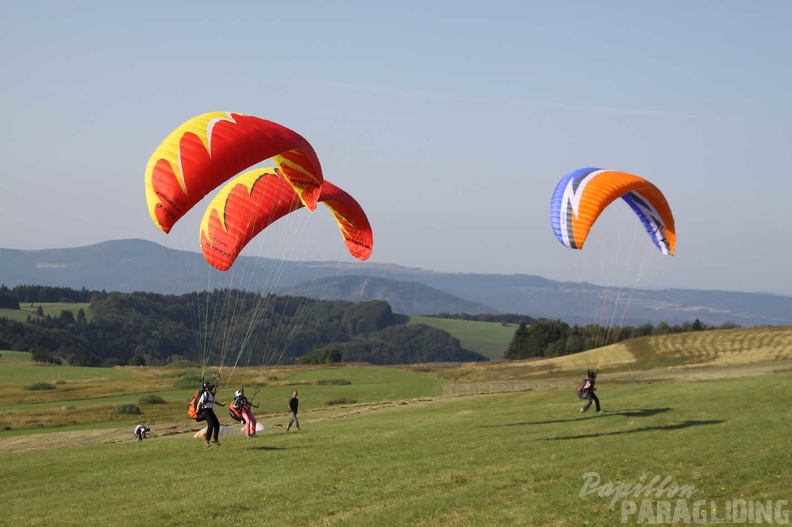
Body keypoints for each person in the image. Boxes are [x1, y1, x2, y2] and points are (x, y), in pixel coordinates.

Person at [197, 381, 225, 447]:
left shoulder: (211, 394)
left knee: (217, 424)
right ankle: (206, 440)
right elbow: (199, 403)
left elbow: (214, 401)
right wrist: (197, 410)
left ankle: (215, 439)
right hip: (206, 411)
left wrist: (221, 405)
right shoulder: (204, 394)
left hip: (210, 410)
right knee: (211, 424)